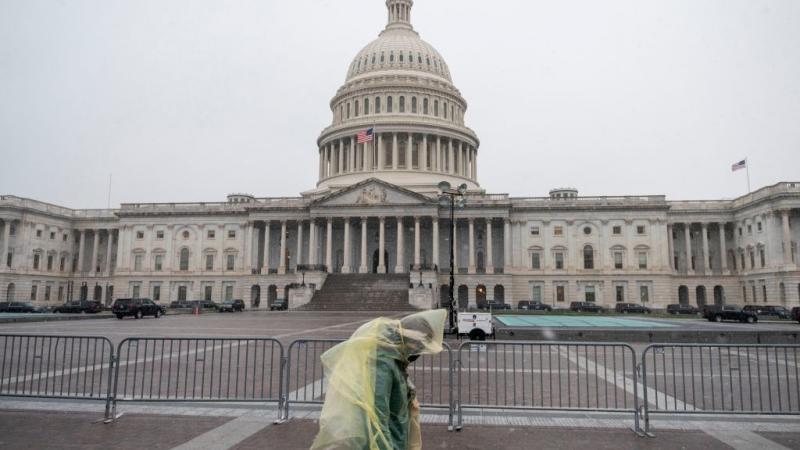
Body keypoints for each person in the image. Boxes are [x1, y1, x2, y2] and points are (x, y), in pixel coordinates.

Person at [310, 309, 447, 450]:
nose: (418, 353)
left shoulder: (395, 360)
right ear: (410, 341)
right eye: (418, 347)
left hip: (395, 439)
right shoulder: (383, 364)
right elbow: (378, 419)